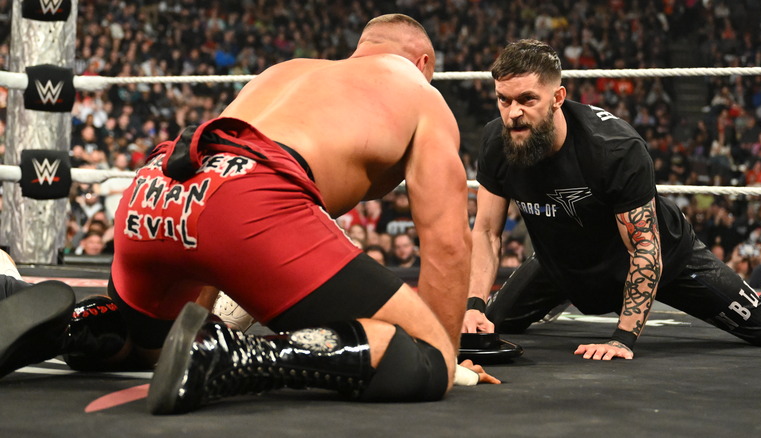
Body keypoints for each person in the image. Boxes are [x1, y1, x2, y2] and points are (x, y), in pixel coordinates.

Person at [0, 14, 486, 413]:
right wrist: (448, 356)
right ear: (424, 62)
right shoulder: (420, 93)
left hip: (155, 187)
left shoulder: (287, 71)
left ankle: (72, 327)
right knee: (427, 358)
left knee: (148, 345)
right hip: (252, 203)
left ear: (361, 49)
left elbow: (218, 192)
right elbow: (447, 241)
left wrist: (196, 314)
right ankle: (239, 356)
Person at [462, 39, 761, 361]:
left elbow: (644, 248)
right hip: (563, 262)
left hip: (662, 260)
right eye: (504, 100)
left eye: (527, 99)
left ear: (558, 97)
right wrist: (474, 306)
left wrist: (622, 338)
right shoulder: (497, 142)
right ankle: (561, 295)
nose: (514, 113)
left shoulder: (613, 148)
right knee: (490, 323)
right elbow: (487, 231)